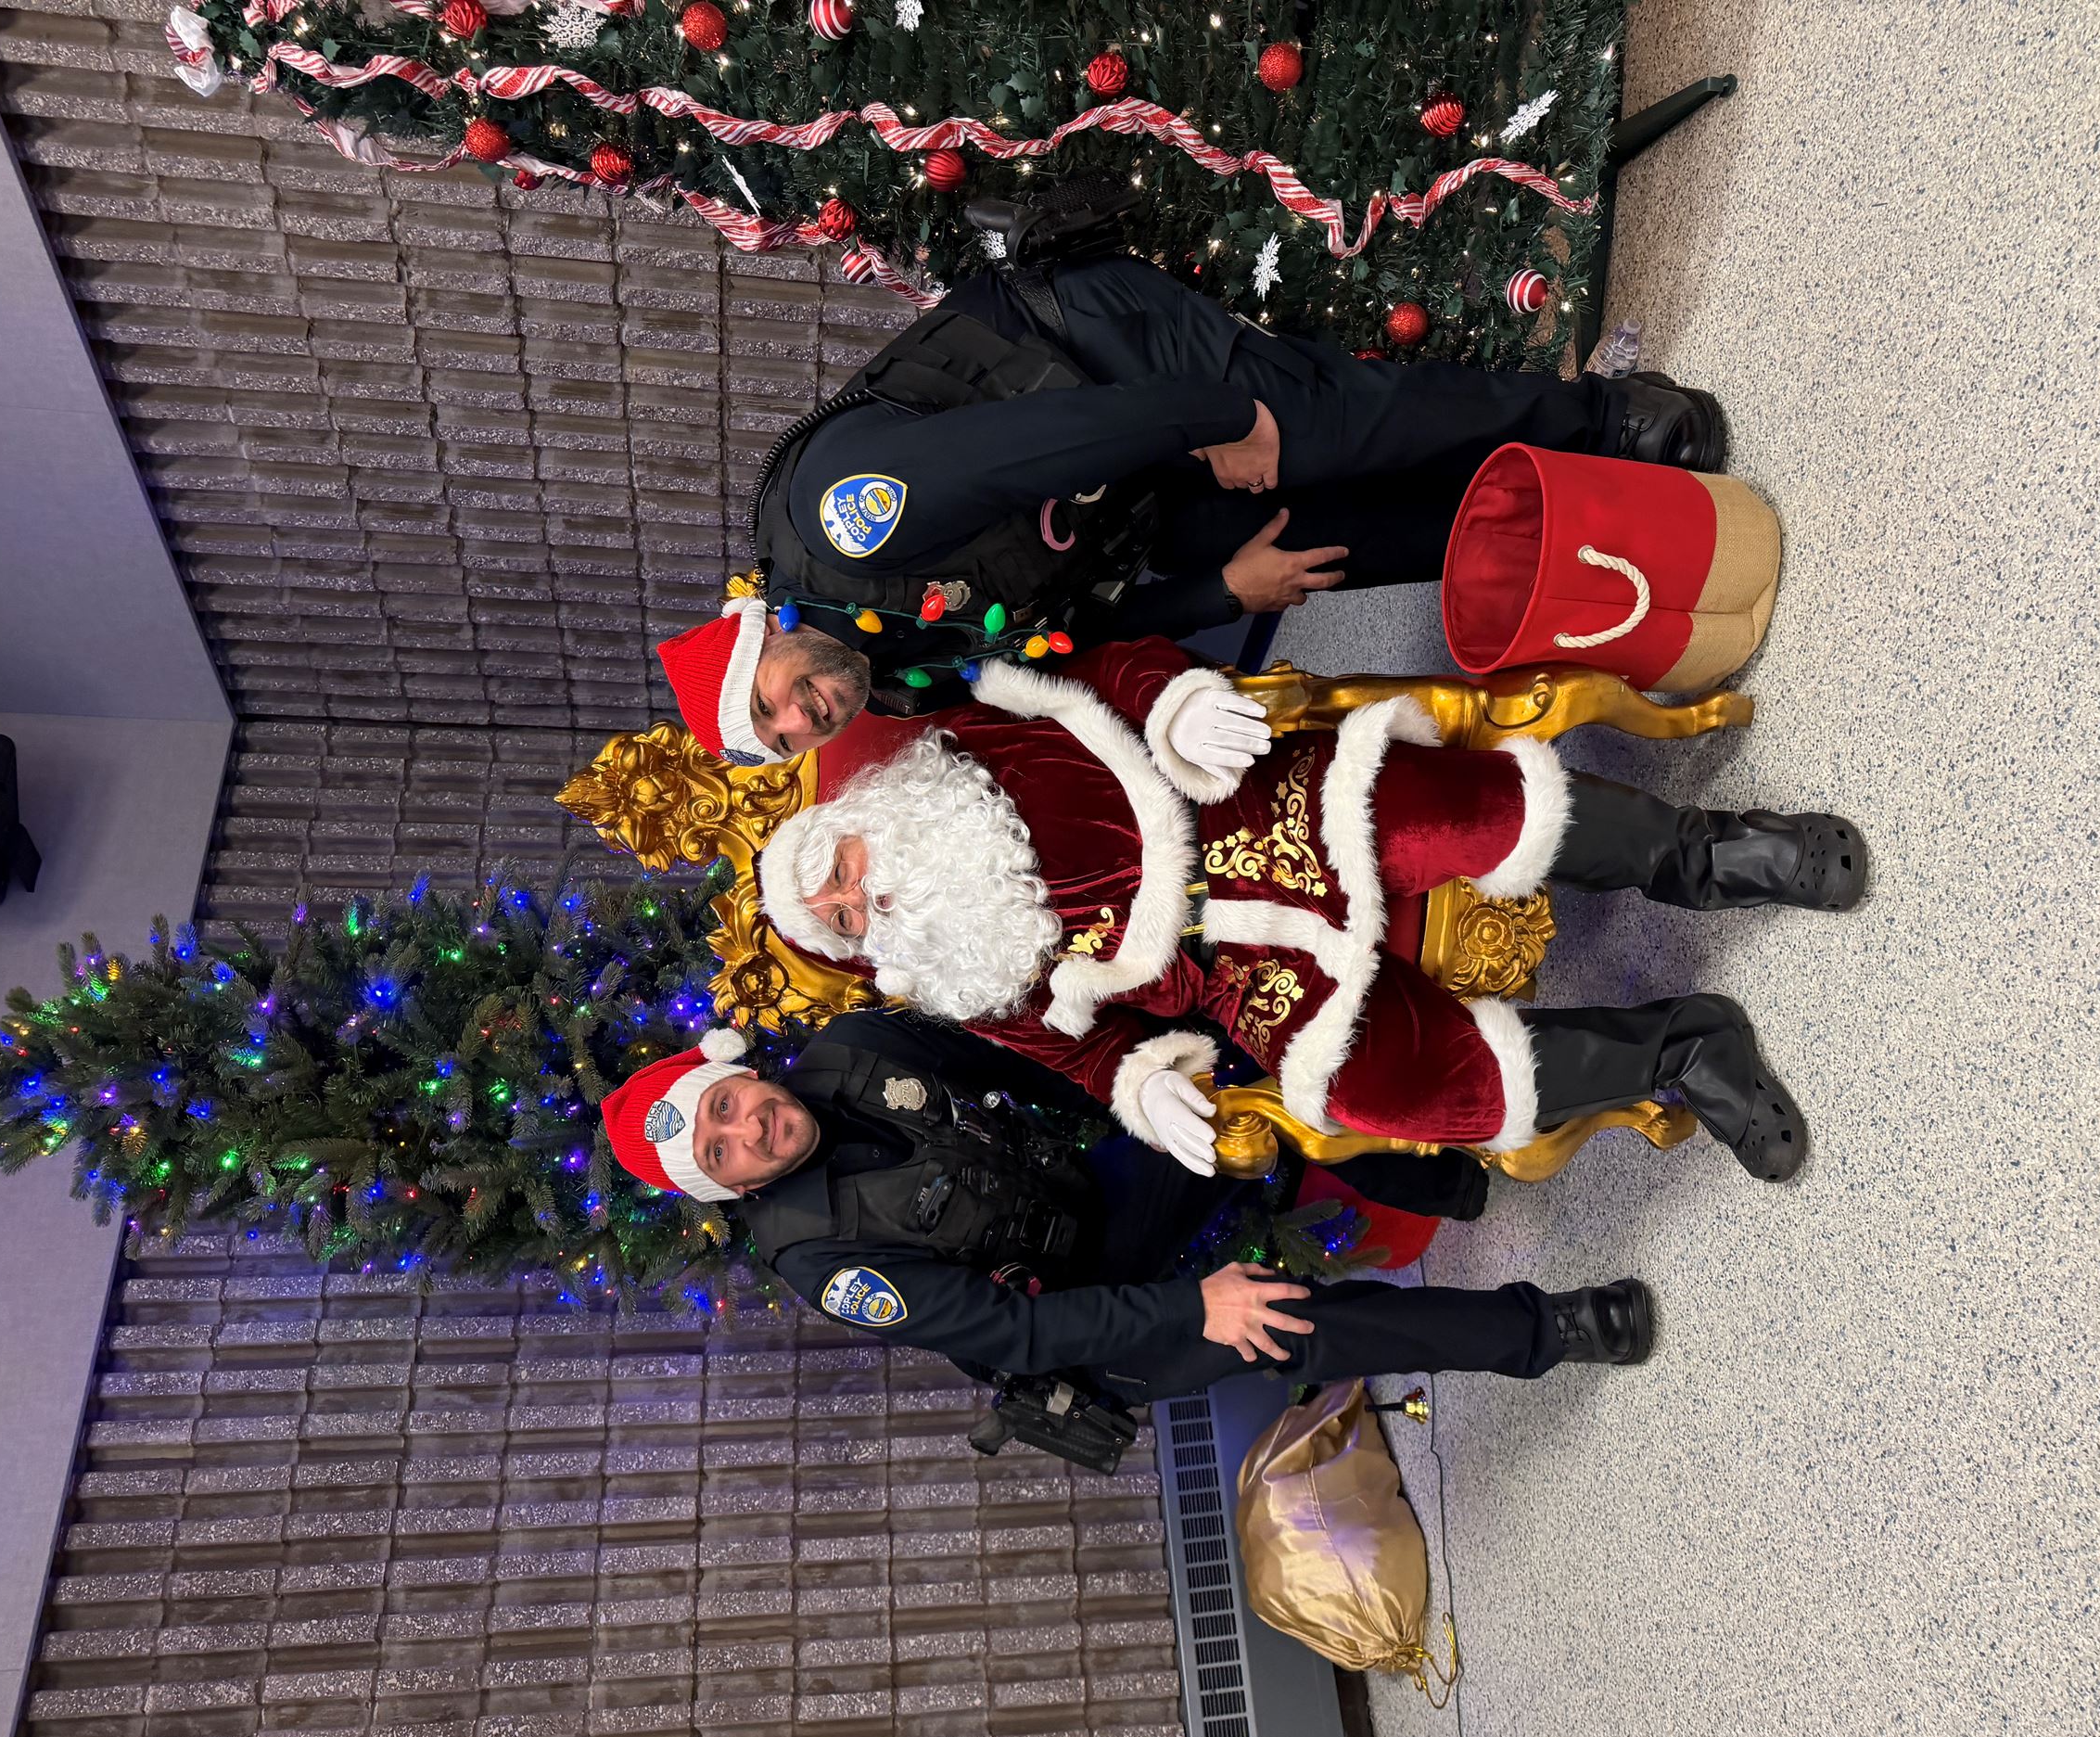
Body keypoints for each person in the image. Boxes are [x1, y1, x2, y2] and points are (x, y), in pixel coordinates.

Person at [702, 633, 1865, 1184]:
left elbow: (1110, 673)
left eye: (841, 867)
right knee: (1393, 1087)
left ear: (857, 817)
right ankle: (1684, 1051)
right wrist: (1136, 1084)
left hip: (1256, 813)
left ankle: (1713, 856)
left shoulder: (963, 746)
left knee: (1468, 820)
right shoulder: (959, 981)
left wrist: (1169, 706)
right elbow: (1087, 1050)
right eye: (844, 918)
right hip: (1234, 975)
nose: (864, 896)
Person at [660, 245, 1730, 757]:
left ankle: (1598, 416)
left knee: (1305, 427)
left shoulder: (840, 524)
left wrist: (1215, 422)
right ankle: (1570, 513)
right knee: (1313, 549)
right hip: (1121, 497)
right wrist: (1221, 588)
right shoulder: (891, 677)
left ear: (761, 636)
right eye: (790, 737)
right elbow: (1061, 640)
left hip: (1086, 352)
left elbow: (1036, 442)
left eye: (771, 699)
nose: (805, 715)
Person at [597, 1013, 1657, 1401]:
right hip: (1076, 1325)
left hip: (1086, 1198)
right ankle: (1542, 1330)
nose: (749, 1130)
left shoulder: (850, 1049)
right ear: (727, 1187)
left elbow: (1034, 1067)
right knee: (1278, 1325)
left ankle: (1453, 1178)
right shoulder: (816, 1257)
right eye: (721, 1150)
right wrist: (1192, 1311)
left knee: (1225, 1082)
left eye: (727, 1105)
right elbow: (1013, 1333)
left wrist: (1146, 1089)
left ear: (736, 1076)